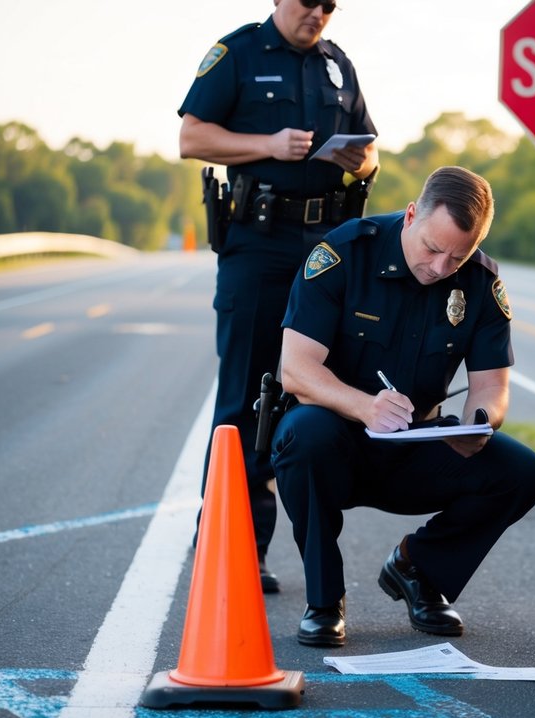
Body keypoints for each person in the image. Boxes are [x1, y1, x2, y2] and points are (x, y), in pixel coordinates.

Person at [270, 166, 535, 647]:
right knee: (304, 435)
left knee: (522, 473)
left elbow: (491, 386)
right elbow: (295, 370)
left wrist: (479, 424)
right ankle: (324, 600)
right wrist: (365, 407)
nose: (440, 268)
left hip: (414, 443)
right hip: (335, 441)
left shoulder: (481, 282)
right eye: (433, 248)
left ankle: (418, 570)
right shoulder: (344, 253)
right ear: (410, 215)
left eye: (456, 258)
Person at [178, 0, 379, 593]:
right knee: (244, 402)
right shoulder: (237, 53)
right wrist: (269, 144)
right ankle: (232, 546)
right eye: (307, 0)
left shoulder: (338, 66)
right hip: (259, 245)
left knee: (310, 398)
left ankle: (312, 562)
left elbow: (373, 152)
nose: (317, 12)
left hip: (325, 251)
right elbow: (191, 137)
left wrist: (360, 160)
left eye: (330, 4)